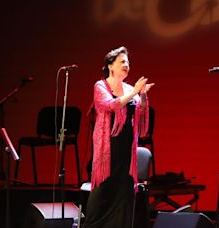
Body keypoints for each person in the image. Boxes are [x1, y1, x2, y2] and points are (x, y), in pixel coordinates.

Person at [84, 46, 154, 228]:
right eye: (122, 61)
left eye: (128, 62)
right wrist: (134, 92)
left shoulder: (130, 88)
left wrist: (143, 95)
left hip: (126, 148)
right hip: (108, 148)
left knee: (124, 194)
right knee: (103, 191)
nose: (126, 65)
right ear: (110, 66)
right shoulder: (101, 86)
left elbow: (141, 110)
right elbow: (110, 105)